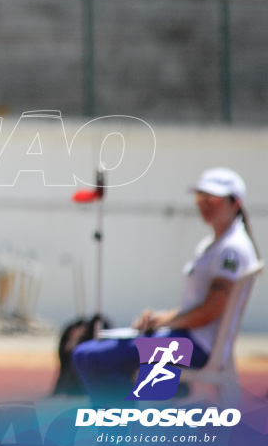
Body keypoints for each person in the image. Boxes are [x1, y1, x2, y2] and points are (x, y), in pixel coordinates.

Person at [72, 167, 259, 402]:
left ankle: (121, 430)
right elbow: (197, 307)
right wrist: (160, 319)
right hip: (184, 340)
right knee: (90, 354)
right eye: (200, 197)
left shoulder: (231, 248)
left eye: (214, 198)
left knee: (89, 356)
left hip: (193, 348)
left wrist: (165, 322)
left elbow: (210, 311)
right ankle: (160, 402)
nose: (205, 203)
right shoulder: (217, 244)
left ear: (235, 203)